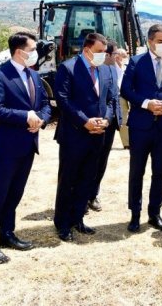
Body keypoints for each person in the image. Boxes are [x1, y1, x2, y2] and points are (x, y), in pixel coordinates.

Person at [0, 32, 51, 264]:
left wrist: (41, 119)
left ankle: (7, 234)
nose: (36, 53)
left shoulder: (34, 74)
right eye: (33, 49)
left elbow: (44, 105)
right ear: (20, 52)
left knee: (15, 194)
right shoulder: (0, 76)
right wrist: (25, 116)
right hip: (6, 147)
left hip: (28, 145)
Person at [121, 24, 162, 233]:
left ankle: (155, 214)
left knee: (160, 172)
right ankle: (135, 214)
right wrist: (146, 104)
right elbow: (126, 90)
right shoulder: (136, 62)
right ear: (150, 41)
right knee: (137, 171)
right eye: (160, 41)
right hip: (141, 126)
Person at [53, 33, 118, 242]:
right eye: (99, 51)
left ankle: (78, 219)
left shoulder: (105, 69)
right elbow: (63, 99)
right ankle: (63, 223)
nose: (103, 55)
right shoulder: (68, 68)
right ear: (87, 49)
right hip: (75, 134)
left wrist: (106, 120)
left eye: (105, 52)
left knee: (87, 179)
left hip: (98, 134)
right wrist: (84, 121)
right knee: (69, 180)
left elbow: (111, 99)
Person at [87, 40, 122, 212]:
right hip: (95, 123)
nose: (117, 57)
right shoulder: (94, 71)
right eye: (115, 54)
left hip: (110, 123)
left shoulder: (114, 69)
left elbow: (115, 97)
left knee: (102, 162)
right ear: (107, 55)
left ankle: (93, 195)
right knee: (90, 162)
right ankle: (82, 196)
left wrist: (110, 119)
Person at [114, 48, 130, 150]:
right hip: (117, 96)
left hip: (126, 96)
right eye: (123, 56)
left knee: (126, 120)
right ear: (117, 56)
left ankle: (128, 142)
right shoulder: (111, 67)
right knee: (122, 120)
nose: (125, 58)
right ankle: (127, 143)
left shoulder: (126, 67)